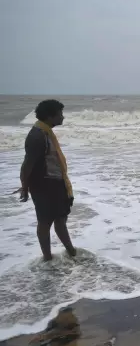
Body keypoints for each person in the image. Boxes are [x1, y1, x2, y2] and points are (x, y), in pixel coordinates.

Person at [19, 99, 77, 261]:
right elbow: (26, 166)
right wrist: (25, 187)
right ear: (50, 117)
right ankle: (47, 258)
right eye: (60, 114)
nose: (63, 117)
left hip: (56, 182)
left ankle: (71, 251)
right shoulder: (37, 136)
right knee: (45, 222)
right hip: (44, 186)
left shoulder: (45, 132)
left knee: (60, 218)